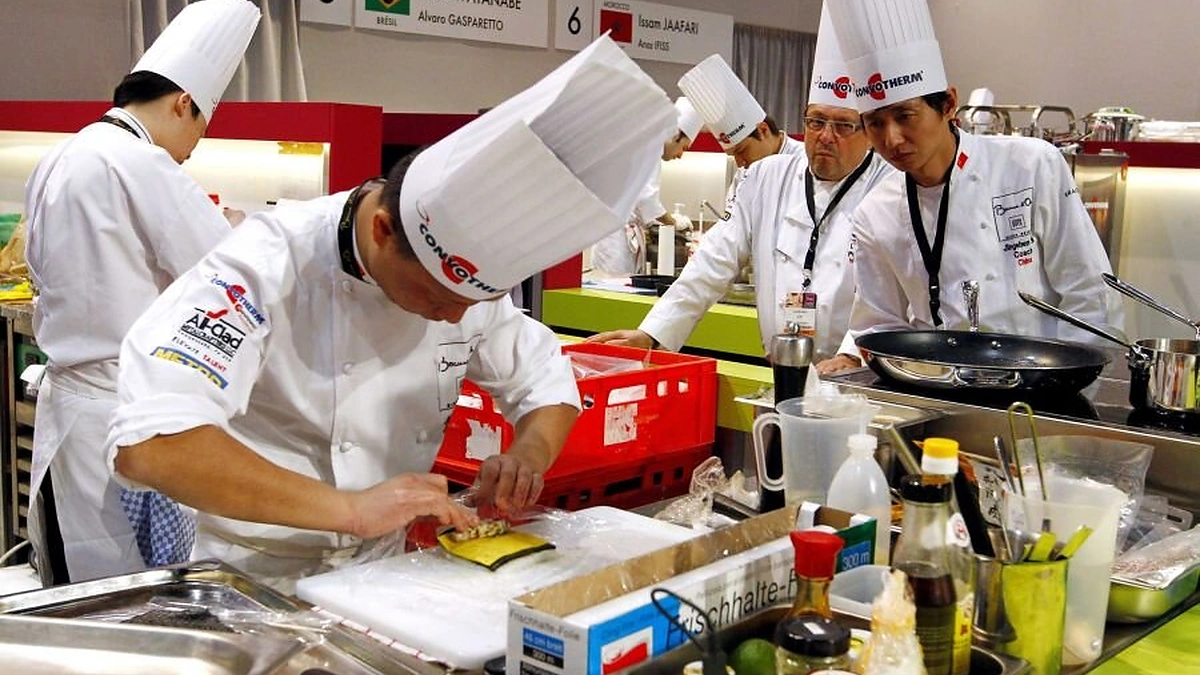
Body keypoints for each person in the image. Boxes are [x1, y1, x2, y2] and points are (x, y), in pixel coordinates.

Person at [104, 35, 677, 591]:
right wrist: (349, 509)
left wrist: (527, 454)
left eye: (472, 304)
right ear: (381, 231)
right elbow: (153, 442)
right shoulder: (262, 267)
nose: (455, 321)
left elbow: (545, 379)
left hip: (385, 572)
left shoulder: (463, 291)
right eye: (436, 300)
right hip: (254, 572)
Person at [24, 0, 261, 584]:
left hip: (72, 412)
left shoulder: (62, 153)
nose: (193, 146)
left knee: (79, 579)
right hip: (121, 414)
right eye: (200, 127)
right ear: (184, 103)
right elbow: (225, 271)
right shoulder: (143, 163)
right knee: (129, 592)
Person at [824, 0, 1123, 371]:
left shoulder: (1031, 166)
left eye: (905, 116)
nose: (893, 138)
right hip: (931, 388)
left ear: (948, 103)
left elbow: (1089, 293)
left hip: (1037, 386)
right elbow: (878, 322)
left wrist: (1066, 380)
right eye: (875, 123)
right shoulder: (876, 211)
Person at [588, 4, 894, 364]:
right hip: (782, 366)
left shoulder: (891, 187)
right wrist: (653, 334)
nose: (825, 136)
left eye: (843, 126)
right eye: (815, 122)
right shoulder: (766, 177)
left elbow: (891, 293)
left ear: (871, 132)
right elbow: (711, 262)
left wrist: (852, 356)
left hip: (856, 376)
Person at [590, 97, 704, 276]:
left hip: (617, 237)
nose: (681, 155)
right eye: (684, 147)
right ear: (675, 135)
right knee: (614, 289)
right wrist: (675, 223)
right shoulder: (650, 147)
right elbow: (646, 199)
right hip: (615, 243)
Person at [678, 54, 804, 214]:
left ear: (763, 130)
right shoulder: (743, 175)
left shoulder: (805, 161)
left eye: (741, 150)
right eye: (733, 155)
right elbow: (731, 223)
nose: (739, 163)